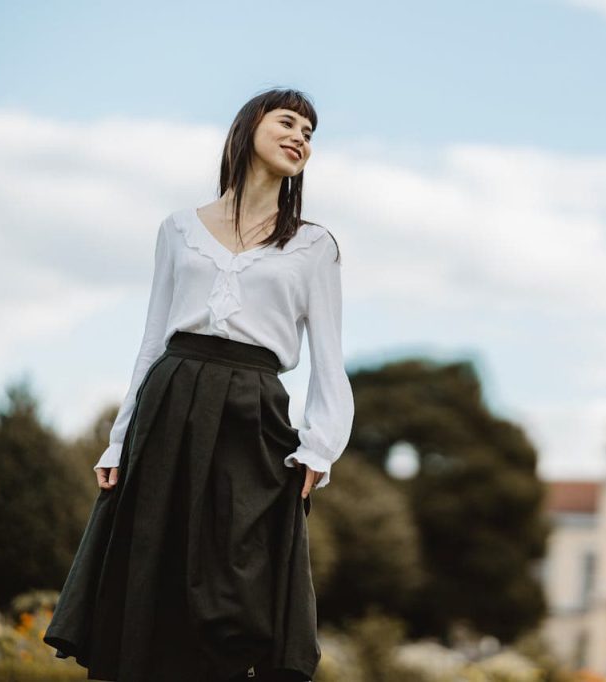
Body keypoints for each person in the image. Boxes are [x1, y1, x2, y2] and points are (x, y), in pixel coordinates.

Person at [43, 87, 354, 682]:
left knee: (237, 580)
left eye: (310, 134)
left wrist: (320, 446)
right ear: (247, 130)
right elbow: (153, 340)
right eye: (288, 123)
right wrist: (118, 439)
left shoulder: (314, 244)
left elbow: (329, 356)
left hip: (253, 413)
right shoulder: (178, 229)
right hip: (171, 401)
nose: (301, 139)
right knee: (152, 570)